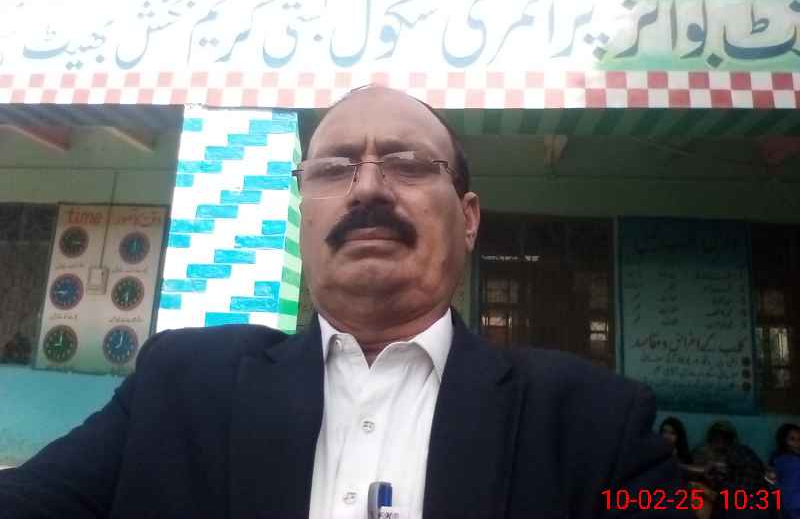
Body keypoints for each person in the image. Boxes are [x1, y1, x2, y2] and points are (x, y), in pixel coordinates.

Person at [0, 86, 691, 518]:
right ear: (302, 216)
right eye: (332, 168)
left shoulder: (592, 425)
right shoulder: (179, 387)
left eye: (409, 164)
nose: (366, 188)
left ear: (469, 218)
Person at [771, 423, 800, 519]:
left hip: (786, 504)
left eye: (799, 439)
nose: (797, 443)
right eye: (792, 439)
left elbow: (772, 482)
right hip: (792, 505)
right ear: (783, 441)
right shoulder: (783, 460)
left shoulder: (776, 459)